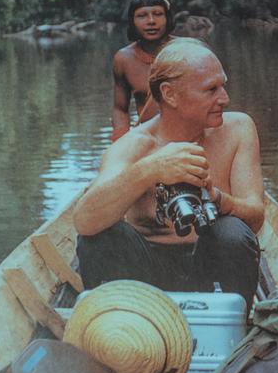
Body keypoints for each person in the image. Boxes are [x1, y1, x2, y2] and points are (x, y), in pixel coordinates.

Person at [75, 38, 264, 306]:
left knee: (233, 232)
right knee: (99, 236)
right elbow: (84, 221)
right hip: (144, 276)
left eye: (223, 85)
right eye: (211, 90)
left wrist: (217, 198)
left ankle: (233, 328)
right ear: (170, 94)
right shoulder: (134, 146)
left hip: (209, 270)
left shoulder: (238, 129)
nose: (225, 98)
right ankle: (120, 331)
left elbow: (255, 219)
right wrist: (151, 170)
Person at [111, 0, 176, 142]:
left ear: (168, 18)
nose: (151, 21)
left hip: (190, 137)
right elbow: (120, 108)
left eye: (158, 14)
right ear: (132, 22)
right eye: (142, 16)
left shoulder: (189, 49)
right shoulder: (123, 59)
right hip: (149, 140)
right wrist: (121, 142)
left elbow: (211, 98)